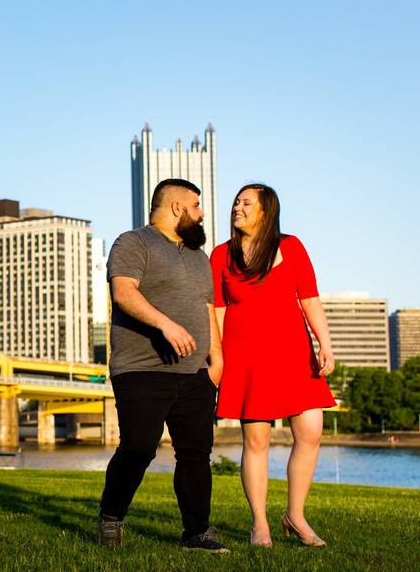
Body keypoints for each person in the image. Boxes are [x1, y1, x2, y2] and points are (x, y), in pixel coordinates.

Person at [97, 178, 228, 553]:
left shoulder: (198, 257)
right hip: (141, 368)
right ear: (176, 207)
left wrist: (216, 359)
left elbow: (207, 310)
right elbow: (123, 293)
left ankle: (197, 533)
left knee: (195, 454)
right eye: (197, 205)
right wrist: (165, 324)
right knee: (139, 448)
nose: (202, 214)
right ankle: (111, 516)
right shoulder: (133, 242)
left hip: (195, 374)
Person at [210, 183, 336, 548]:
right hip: (245, 357)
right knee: (257, 439)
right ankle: (260, 524)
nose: (238, 207)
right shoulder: (220, 256)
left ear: (266, 211)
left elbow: (309, 299)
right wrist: (216, 359)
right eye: (236, 201)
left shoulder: (291, 246)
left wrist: (324, 344)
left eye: (247, 202)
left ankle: (295, 516)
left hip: (295, 353)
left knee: (311, 430)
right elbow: (216, 313)